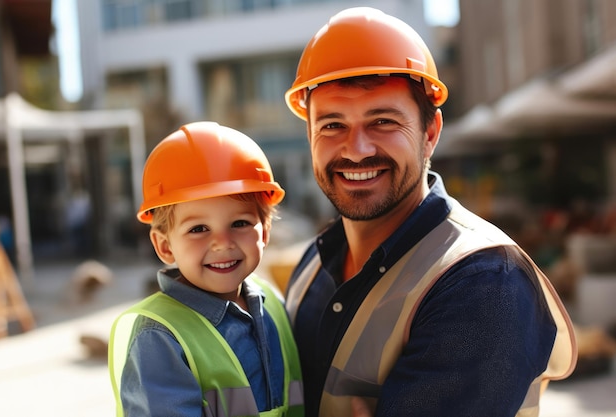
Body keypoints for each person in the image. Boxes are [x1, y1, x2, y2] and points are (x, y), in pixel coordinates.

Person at [283, 7, 577, 417]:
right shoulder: (314, 264)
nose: (356, 149)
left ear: (431, 133)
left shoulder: (483, 283)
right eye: (332, 125)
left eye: (383, 121)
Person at [108, 122, 304, 416]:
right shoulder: (159, 338)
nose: (222, 243)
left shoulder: (272, 303)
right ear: (165, 246)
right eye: (199, 229)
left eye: (239, 223)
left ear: (264, 232)